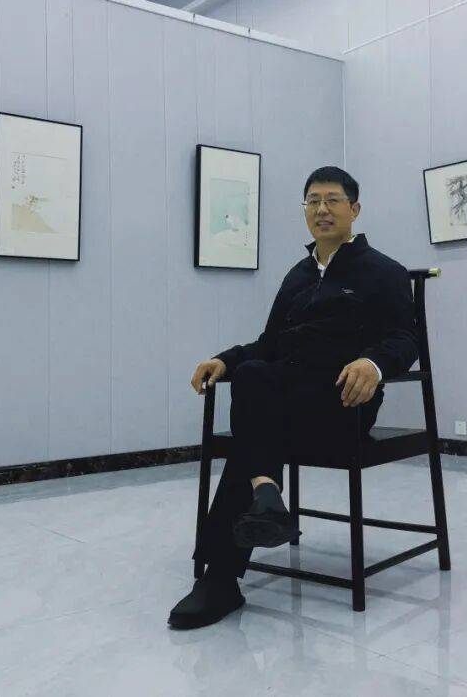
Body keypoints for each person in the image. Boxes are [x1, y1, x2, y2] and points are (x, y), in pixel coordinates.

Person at [167, 166, 419, 630]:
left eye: (332, 200)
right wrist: (224, 360)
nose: (322, 209)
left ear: (354, 209)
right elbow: (269, 345)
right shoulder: (297, 276)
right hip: (285, 401)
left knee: (255, 419)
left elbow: (406, 338)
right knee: (253, 376)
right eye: (312, 201)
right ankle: (263, 500)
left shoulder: (385, 272)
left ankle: (224, 570)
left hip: (343, 404)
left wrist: (373, 364)